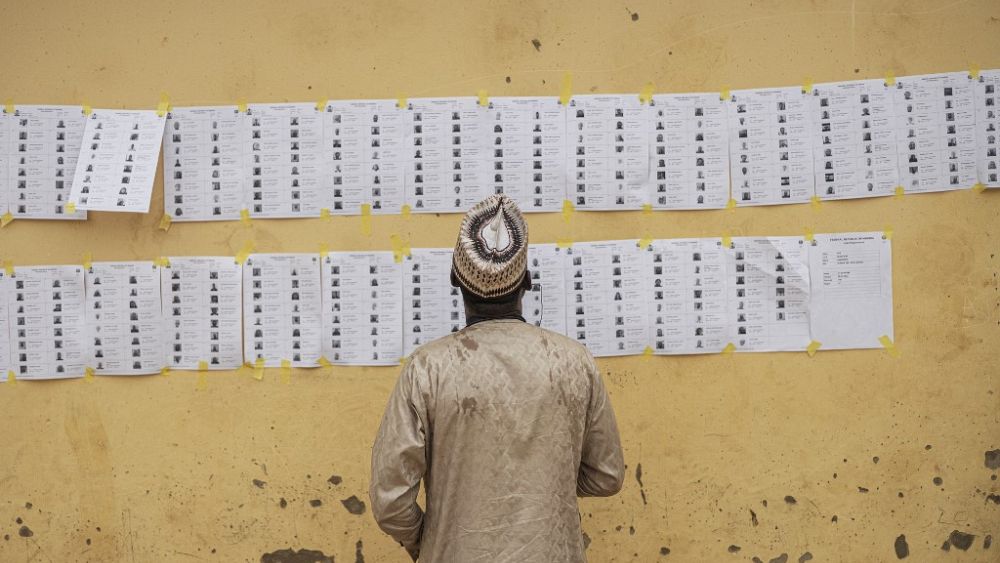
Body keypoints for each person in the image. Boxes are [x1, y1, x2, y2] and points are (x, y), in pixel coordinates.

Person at [370, 194, 624, 562]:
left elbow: (390, 501)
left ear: (455, 278)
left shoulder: (427, 369)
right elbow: (607, 476)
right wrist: (547, 484)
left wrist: (430, 538)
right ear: (527, 282)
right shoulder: (573, 362)